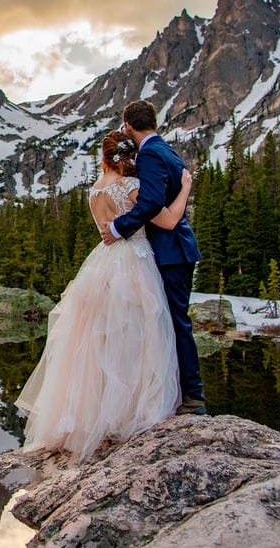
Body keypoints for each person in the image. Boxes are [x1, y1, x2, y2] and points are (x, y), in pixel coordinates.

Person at [16, 129, 192, 460]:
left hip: (103, 264)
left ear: (105, 156)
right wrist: (184, 188)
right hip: (135, 263)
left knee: (97, 342)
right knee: (140, 337)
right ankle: (133, 414)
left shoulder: (94, 191)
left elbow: (106, 231)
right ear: (128, 156)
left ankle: (94, 418)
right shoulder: (133, 187)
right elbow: (168, 220)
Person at [102, 99, 206, 417]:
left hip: (171, 250)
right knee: (171, 322)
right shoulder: (165, 150)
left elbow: (149, 203)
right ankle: (179, 394)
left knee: (176, 322)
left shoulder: (148, 154)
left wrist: (118, 228)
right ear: (155, 124)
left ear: (128, 127)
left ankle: (193, 398)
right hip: (176, 249)